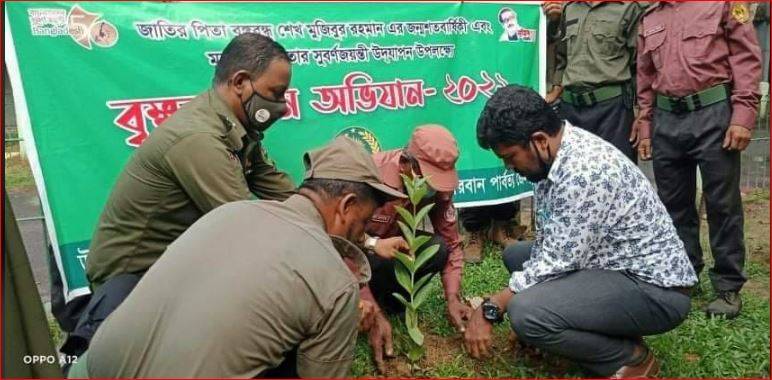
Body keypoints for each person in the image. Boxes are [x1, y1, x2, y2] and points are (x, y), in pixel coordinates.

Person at [65, 136, 405, 378]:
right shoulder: (333, 282)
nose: (361, 235)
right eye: (362, 222)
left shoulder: (228, 213)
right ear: (345, 206)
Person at [60, 33, 297, 357]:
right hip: (132, 282)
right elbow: (248, 231)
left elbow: (281, 191)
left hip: (175, 267)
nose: (283, 108)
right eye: (276, 93)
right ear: (240, 82)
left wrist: (347, 229)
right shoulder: (199, 138)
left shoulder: (234, 127)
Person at [463, 85, 697, 377]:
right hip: (611, 265)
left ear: (539, 140)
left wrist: (492, 307)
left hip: (656, 291)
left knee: (526, 312)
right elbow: (551, 246)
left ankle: (630, 358)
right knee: (516, 256)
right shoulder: (556, 156)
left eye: (511, 157)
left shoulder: (583, 172)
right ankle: (601, 328)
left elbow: (557, 261)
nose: (509, 167)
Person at [636, 2, 762, 318]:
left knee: (722, 203)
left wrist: (743, 115)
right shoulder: (650, 16)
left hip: (714, 115)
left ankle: (728, 287)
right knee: (673, 204)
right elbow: (645, 75)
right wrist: (646, 125)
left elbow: (746, 58)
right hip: (666, 119)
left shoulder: (724, 4)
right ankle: (684, 275)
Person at [359, 124, 471, 372]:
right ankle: (369, 307)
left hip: (389, 254)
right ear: (405, 164)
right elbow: (339, 245)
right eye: (429, 176)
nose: (435, 187)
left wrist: (452, 297)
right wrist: (370, 308)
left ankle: (392, 302)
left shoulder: (438, 188)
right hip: (357, 254)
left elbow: (452, 244)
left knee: (438, 248)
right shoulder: (369, 175)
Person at [547, 1, 646, 162]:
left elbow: (641, 66)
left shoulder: (629, 8)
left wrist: (641, 113)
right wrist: (556, 88)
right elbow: (562, 56)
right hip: (571, 109)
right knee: (572, 170)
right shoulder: (570, 8)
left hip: (611, 111)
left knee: (615, 171)